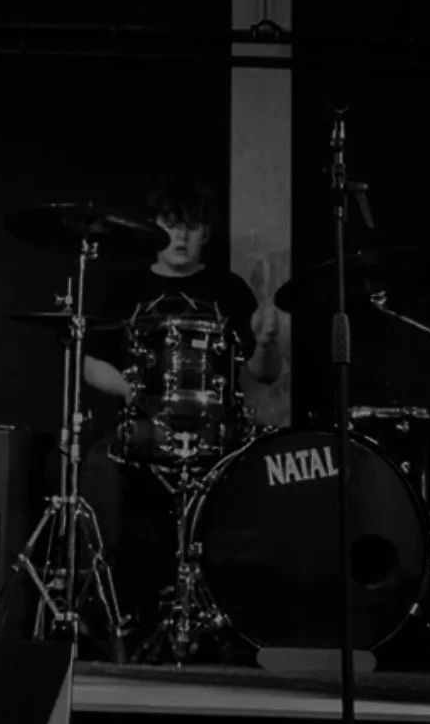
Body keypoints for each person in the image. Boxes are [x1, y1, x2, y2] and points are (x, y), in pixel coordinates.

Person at [80, 177, 283, 650]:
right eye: (171, 225)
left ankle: (245, 616)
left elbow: (265, 373)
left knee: (264, 478)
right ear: (155, 228)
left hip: (217, 430)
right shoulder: (127, 286)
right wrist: (134, 392)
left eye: (191, 227)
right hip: (144, 427)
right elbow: (91, 364)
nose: (181, 237)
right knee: (95, 468)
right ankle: (102, 608)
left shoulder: (228, 290)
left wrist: (269, 342)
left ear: (206, 234)